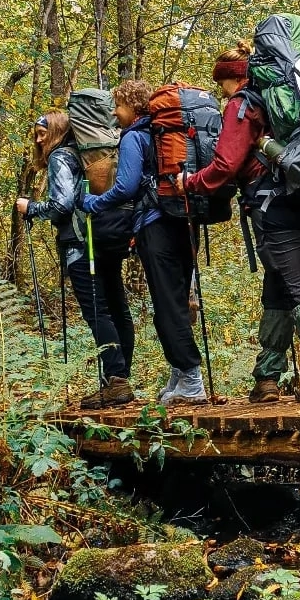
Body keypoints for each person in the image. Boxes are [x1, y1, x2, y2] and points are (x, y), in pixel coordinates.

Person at [172, 41, 300, 403]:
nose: (221, 93)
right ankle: (267, 378)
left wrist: (189, 182)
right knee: (278, 288)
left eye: (221, 84)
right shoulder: (287, 99)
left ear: (231, 78)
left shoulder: (244, 105)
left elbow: (225, 166)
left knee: (297, 284)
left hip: (274, 207)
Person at [80, 78, 206, 405]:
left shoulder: (135, 136)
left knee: (167, 306)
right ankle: (180, 376)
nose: (115, 114)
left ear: (132, 107)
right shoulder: (162, 133)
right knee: (175, 303)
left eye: (118, 106)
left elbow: (126, 187)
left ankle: (191, 381)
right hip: (183, 221)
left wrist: (94, 203)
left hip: (155, 225)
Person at [16, 110, 135, 409]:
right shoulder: (88, 154)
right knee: (116, 307)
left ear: (57, 131)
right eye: (36, 134)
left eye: (42, 133)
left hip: (82, 244)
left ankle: (116, 379)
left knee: (98, 312)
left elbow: (61, 206)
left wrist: (31, 208)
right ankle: (119, 378)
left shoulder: (61, 158)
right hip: (107, 235)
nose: (38, 139)